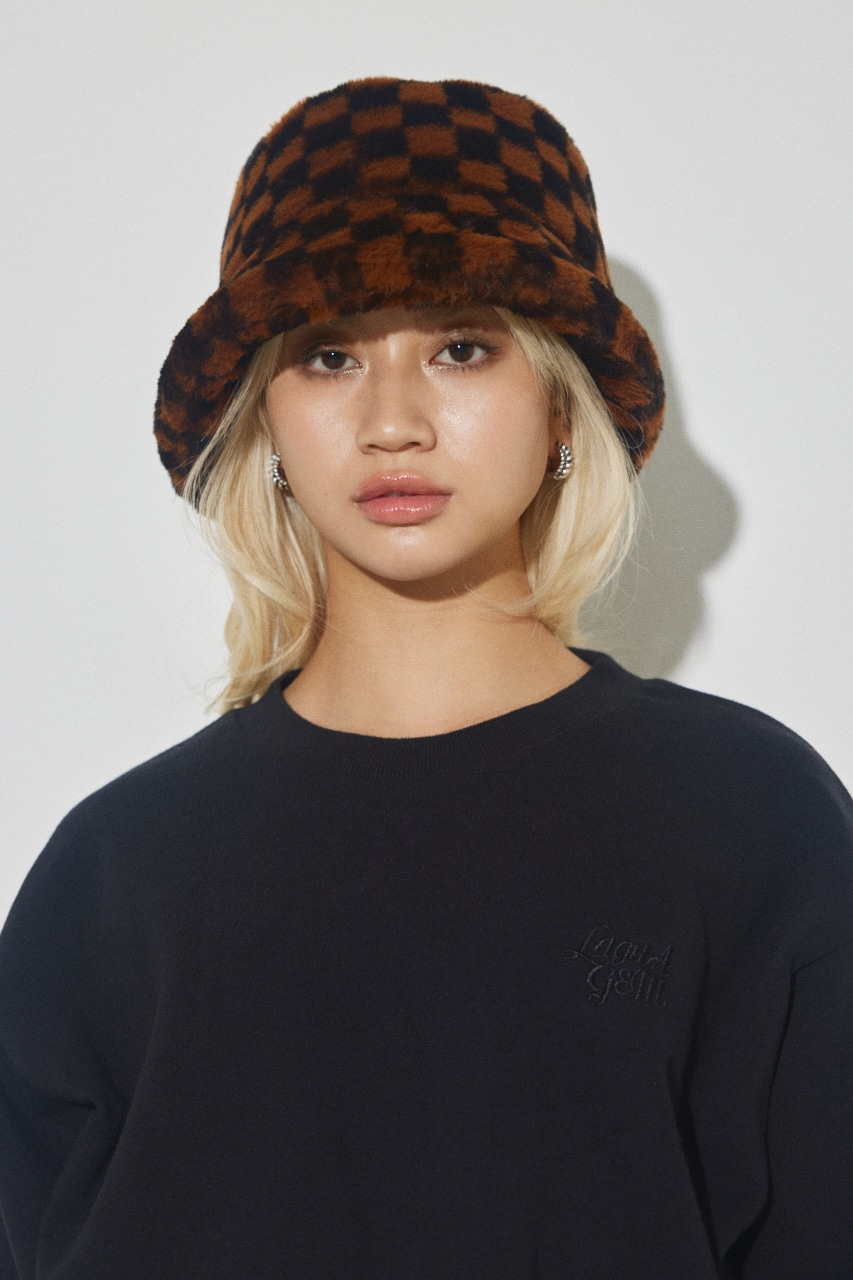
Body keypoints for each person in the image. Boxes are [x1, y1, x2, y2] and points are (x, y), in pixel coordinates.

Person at [0, 76, 850, 1280]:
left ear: (562, 403)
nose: (392, 420)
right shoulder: (114, 871)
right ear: (267, 424)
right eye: (328, 355)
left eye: (460, 347)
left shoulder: (747, 815)